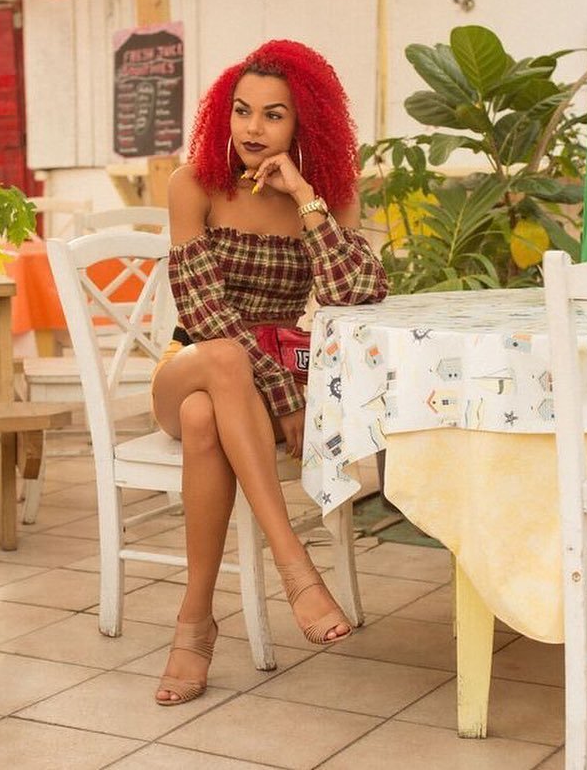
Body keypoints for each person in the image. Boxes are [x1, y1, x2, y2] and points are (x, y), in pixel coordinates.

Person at [151, 39, 389, 705]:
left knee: (205, 419)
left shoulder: (327, 196)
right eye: (242, 110)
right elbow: (204, 315)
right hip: (190, 362)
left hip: (245, 393)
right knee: (218, 365)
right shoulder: (193, 184)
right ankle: (295, 566)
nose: (252, 128)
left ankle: (194, 624)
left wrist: (307, 198)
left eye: (273, 114)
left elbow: (357, 292)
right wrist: (285, 392)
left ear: (304, 123)